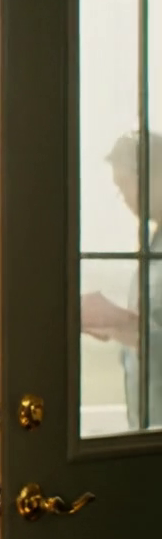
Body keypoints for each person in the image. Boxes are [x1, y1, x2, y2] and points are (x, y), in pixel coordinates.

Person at [81, 129, 162, 430]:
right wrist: (114, 325)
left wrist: (120, 321)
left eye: (124, 184)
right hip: (147, 433)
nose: (124, 197)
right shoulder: (151, 248)